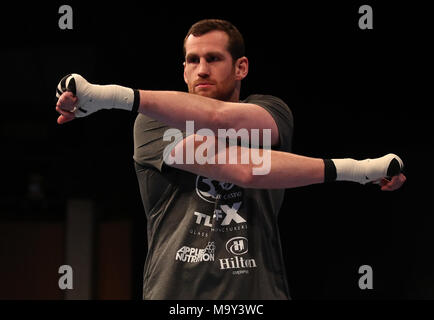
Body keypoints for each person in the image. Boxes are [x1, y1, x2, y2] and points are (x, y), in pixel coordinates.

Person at [55, 19, 406, 299]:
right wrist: (356, 170)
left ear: (241, 67)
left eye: (213, 59)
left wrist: (109, 97)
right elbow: (236, 166)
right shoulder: (152, 120)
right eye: (193, 60)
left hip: (258, 294)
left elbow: (232, 138)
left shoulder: (271, 110)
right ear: (183, 70)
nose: (202, 69)